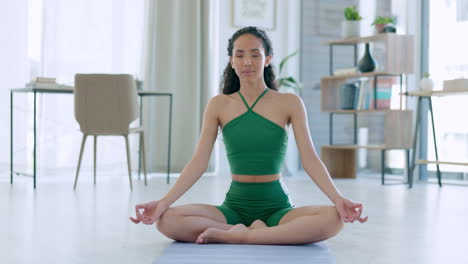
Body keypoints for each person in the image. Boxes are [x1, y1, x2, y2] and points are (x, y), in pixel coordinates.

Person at [130, 26, 368, 245]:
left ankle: (239, 235)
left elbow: (310, 159)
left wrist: (338, 199)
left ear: (268, 59)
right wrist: (162, 203)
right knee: (167, 219)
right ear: (231, 61)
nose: (247, 62)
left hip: (277, 208)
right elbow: (199, 162)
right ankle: (258, 234)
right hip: (234, 208)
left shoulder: (289, 103)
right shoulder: (218, 105)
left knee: (333, 219)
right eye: (240, 55)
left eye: (255, 54)